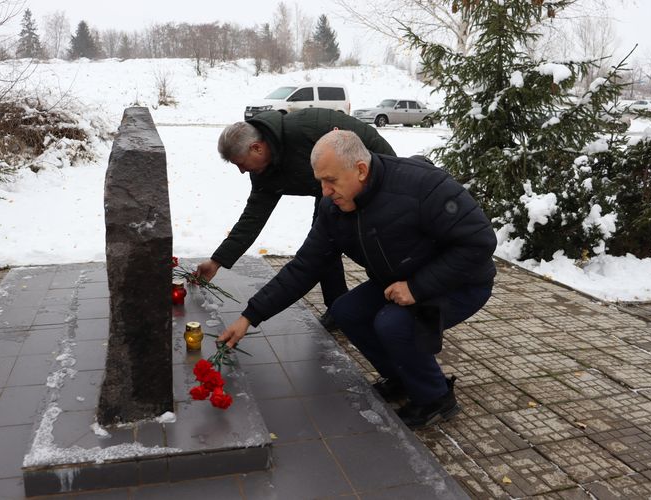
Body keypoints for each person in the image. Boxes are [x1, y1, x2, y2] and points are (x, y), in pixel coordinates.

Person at [218, 130, 497, 429]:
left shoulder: (422, 186)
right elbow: (305, 267)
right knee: (346, 312)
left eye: (331, 181)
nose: (324, 191)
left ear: (361, 170)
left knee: (394, 324)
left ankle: (435, 398)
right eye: (320, 181)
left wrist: (417, 288)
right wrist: (250, 315)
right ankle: (403, 378)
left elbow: (479, 242)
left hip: (459, 281)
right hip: (398, 279)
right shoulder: (334, 208)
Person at [196, 108, 396, 327]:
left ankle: (395, 298)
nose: (242, 171)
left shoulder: (304, 130)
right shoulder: (263, 172)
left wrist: (382, 183)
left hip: (368, 172)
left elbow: (367, 144)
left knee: (371, 240)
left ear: (257, 148)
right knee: (323, 243)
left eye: (241, 163)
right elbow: (253, 218)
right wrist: (217, 261)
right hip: (327, 191)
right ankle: (338, 307)